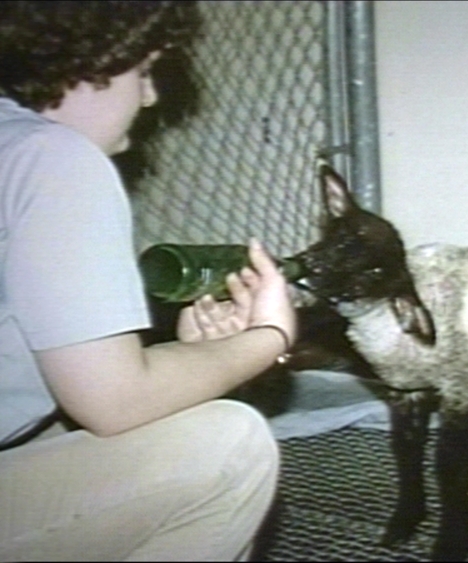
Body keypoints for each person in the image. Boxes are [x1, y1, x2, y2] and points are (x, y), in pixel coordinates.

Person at [0, 2, 297, 560]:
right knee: (226, 445)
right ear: (91, 61)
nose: (150, 97)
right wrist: (267, 339)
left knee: (63, 436)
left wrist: (195, 360)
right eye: (144, 71)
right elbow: (114, 401)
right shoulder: (53, 159)